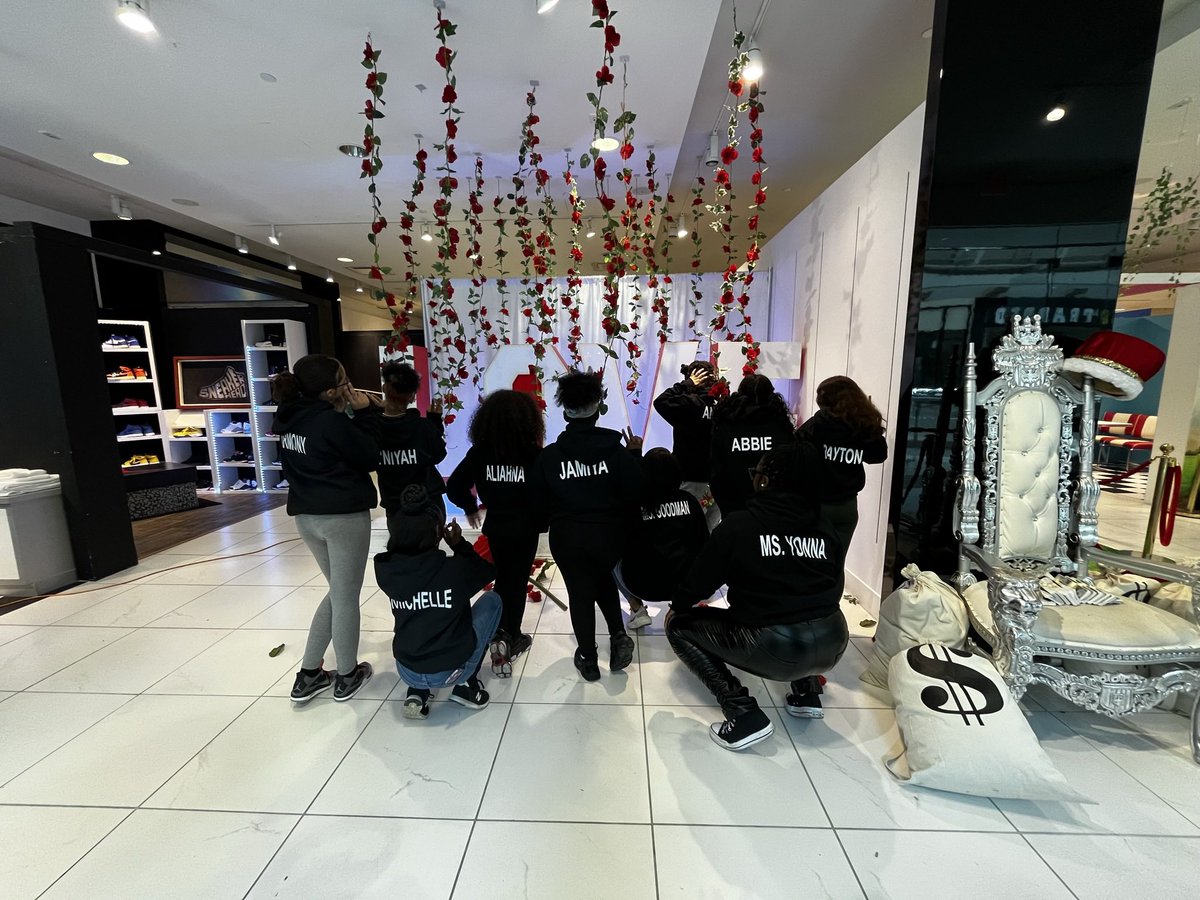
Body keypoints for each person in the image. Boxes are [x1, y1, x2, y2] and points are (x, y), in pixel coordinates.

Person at [666, 445, 850, 751]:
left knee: (678, 627)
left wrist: (678, 606)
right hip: (834, 640)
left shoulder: (740, 525)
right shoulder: (825, 527)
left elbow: (698, 583)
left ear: (764, 481)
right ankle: (807, 694)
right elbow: (833, 586)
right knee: (803, 605)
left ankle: (743, 713)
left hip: (776, 645)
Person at [273, 354, 379, 704]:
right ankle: (347, 675)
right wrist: (365, 414)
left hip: (306, 517)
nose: (350, 385)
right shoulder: (330, 423)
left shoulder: (287, 416)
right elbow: (369, 456)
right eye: (345, 379)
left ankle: (309, 673)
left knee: (338, 591)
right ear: (332, 391)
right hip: (341, 517)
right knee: (345, 596)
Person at [530, 370, 644, 681]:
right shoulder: (617, 453)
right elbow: (636, 491)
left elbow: (537, 503)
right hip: (608, 536)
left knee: (580, 592)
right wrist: (636, 457)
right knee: (603, 577)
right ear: (597, 409)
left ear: (565, 412)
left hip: (568, 537)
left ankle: (589, 659)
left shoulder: (549, 458)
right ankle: (618, 635)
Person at [375, 486, 499, 719]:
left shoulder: (387, 571)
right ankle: (466, 686)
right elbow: (486, 572)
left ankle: (417, 691)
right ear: (437, 532)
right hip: (451, 668)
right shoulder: (453, 570)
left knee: (421, 621)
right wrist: (459, 545)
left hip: (407, 669)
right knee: (493, 601)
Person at [446, 389, 546, 677]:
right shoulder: (534, 454)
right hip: (525, 529)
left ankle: (500, 632)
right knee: (515, 582)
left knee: (504, 580)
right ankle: (508, 636)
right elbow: (547, 492)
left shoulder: (481, 452)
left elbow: (454, 486)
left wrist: (470, 507)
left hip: (498, 527)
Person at [615, 448, 709, 630]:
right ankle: (683, 607)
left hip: (642, 584)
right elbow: (704, 545)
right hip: (684, 585)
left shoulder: (633, 503)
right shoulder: (689, 501)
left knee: (607, 552)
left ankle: (637, 608)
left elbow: (619, 542)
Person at [795, 375, 887, 550]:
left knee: (813, 560)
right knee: (838, 561)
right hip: (847, 506)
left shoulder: (818, 424)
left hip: (817, 505)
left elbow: (795, 448)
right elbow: (878, 455)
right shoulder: (862, 425)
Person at [373, 361, 448, 538]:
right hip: (428, 501)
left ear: (384, 388)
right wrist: (434, 423)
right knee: (430, 549)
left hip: (395, 504)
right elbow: (438, 454)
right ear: (413, 396)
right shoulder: (423, 427)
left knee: (401, 548)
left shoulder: (371, 427)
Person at [708, 373, 795, 516]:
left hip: (735, 510)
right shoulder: (781, 426)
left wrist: (727, 510)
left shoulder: (726, 426)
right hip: (774, 510)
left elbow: (717, 474)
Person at [653, 360, 720, 529]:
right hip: (718, 481)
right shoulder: (724, 405)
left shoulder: (688, 403)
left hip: (691, 478)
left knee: (688, 530)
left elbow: (660, 402)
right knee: (710, 532)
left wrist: (686, 384)